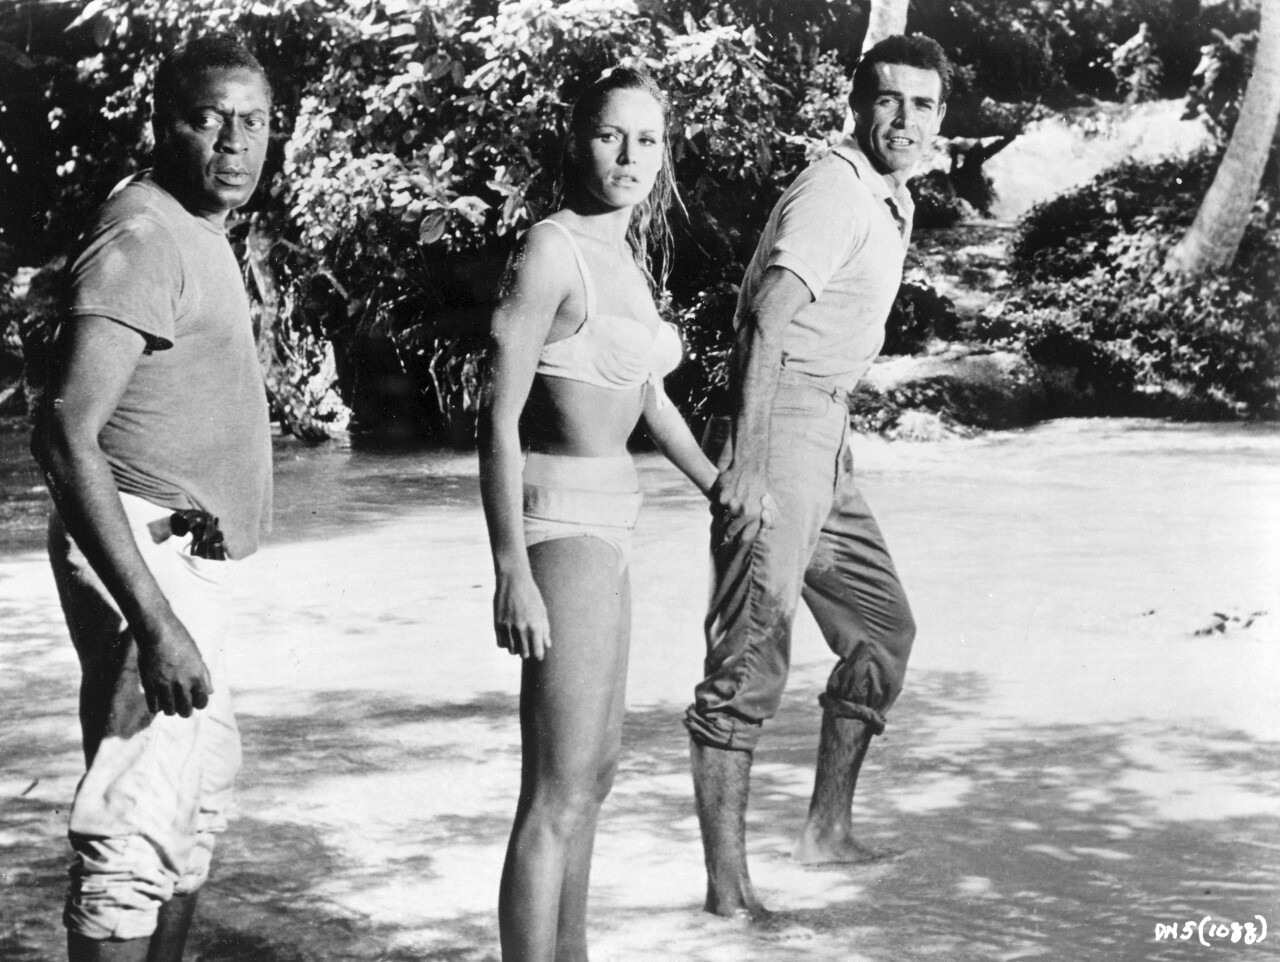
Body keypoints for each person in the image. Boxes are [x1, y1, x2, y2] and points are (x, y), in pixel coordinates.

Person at [684, 34, 953, 918]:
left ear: (940, 117)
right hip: (779, 425)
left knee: (881, 632)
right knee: (749, 658)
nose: (904, 119)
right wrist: (747, 462)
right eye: (887, 99)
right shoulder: (836, 189)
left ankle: (825, 833)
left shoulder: (889, 196)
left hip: (826, 431)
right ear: (856, 104)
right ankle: (729, 901)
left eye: (922, 104)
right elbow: (766, 318)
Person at [30, 35, 273, 962]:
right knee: (131, 832)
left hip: (182, 556)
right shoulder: (142, 237)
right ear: (163, 124)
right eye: (209, 120)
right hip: (145, 553)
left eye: (253, 122)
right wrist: (156, 621)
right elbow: (65, 434)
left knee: (193, 812)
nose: (234, 142)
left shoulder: (196, 227)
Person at [478, 66, 718, 962]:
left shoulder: (625, 257)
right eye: (610, 135)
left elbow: (648, 396)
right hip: (562, 522)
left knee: (595, 777)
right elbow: (497, 418)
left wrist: (719, 485)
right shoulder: (551, 250)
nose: (629, 156)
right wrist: (511, 570)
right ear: (576, 140)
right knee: (557, 788)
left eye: (647, 140)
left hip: (616, 523)